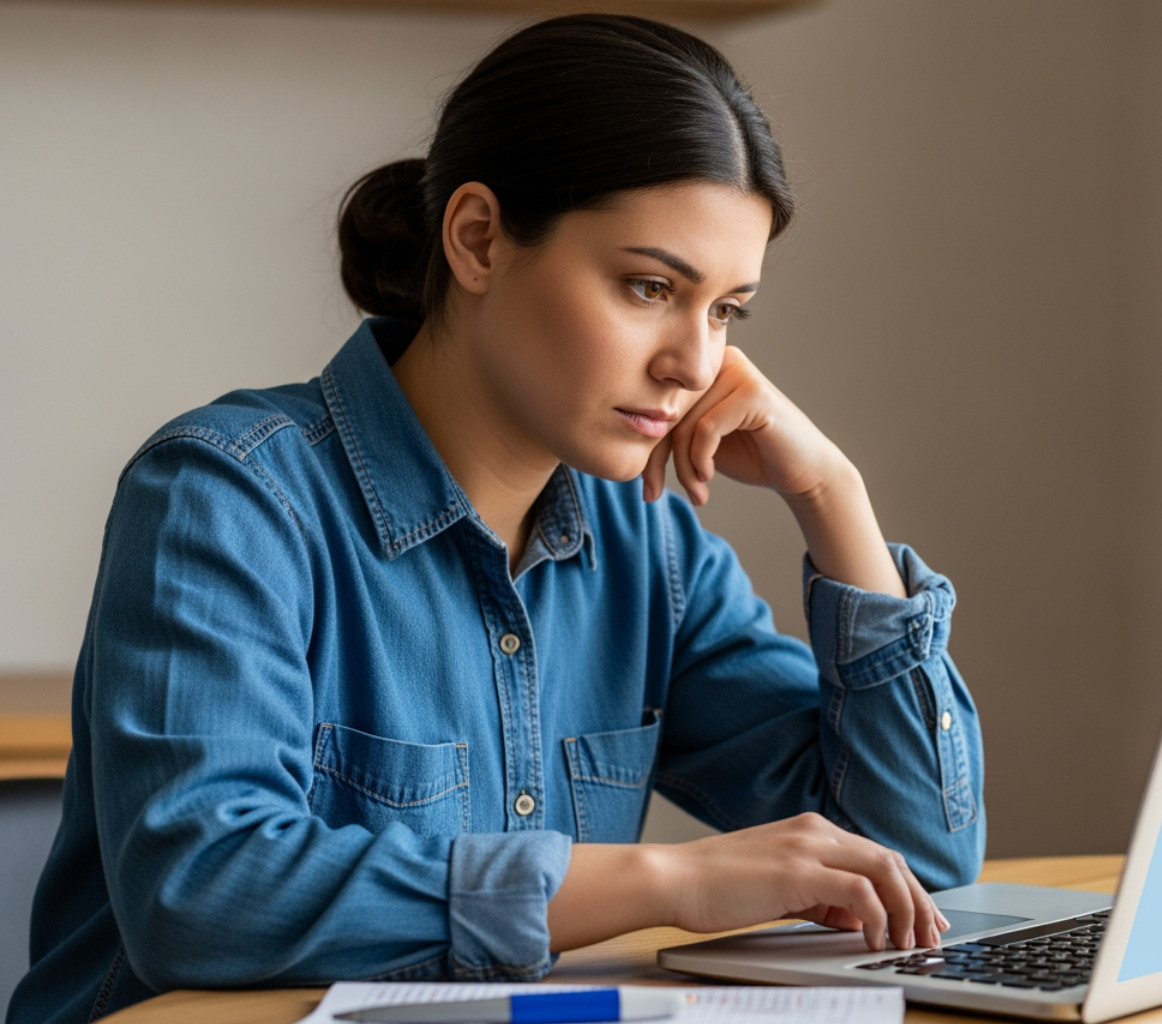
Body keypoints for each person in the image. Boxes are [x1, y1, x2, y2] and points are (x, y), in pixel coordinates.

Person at [8, 15, 984, 1024]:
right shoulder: (226, 494)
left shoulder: (646, 541)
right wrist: (669, 882)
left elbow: (913, 853)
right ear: (477, 238)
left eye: (727, 309)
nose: (694, 363)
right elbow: (203, 892)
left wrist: (832, 495)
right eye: (650, 287)